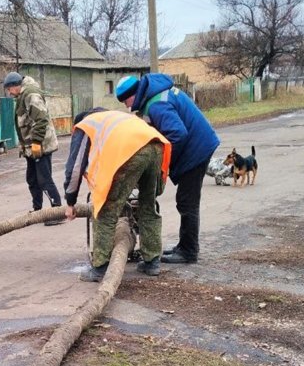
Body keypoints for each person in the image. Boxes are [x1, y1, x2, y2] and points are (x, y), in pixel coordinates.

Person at [116, 73, 220, 264]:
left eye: (125, 101)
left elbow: (177, 134)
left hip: (197, 148)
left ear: (133, 94)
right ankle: (184, 246)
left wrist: (161, 163)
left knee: (187, 202)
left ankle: (189, 252)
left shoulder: (156, 104)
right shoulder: (156, 93)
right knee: (185, 200)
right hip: (200, 143)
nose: (127, 106)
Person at [64, 108, 171, 281]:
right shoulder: (115, 118)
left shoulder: (85, 126)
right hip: (155, 145)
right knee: (147, 206)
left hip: (131, 150)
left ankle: (100, 268)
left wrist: (70, 202)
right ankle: (152, 262)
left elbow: (75, 168)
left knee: (105, 210)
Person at [2, 71, 64, 226]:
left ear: (15, 86)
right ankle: (37, 210)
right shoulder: (22, 95)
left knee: (44, 178)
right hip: (31, 147)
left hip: (41, 145)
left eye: (9, 89)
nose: (9, 93)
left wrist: (36, 142)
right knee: (32, 179)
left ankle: (57, 212)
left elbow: (41, 120)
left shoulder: (31, 95)